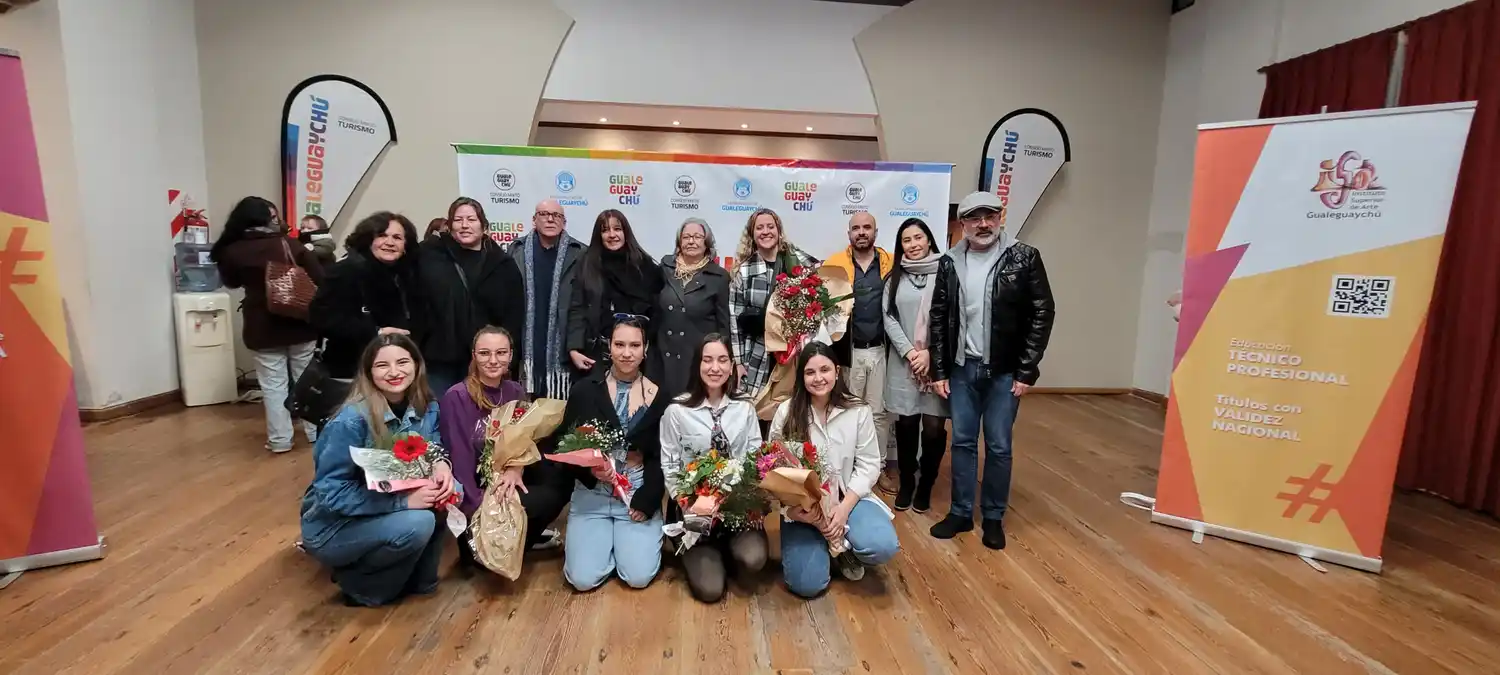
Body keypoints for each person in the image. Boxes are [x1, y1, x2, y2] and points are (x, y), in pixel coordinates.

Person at [927, 192, 1055, 550]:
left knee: (999, 446)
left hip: (1004, 372)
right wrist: (939, 369)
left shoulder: (1024, 257)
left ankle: (994, 517)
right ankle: (961, 512)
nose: (983, 224)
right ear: (963, 224)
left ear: (1000, 217)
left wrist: (1026, 369)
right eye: (974, 217)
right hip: (961, 370)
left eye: (989, 216)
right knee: (964, 443)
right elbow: (939, 317)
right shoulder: (950, 262)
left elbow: (1043, 312)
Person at [299, 333, 457, 607]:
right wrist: (403, 502)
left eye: (402, 362)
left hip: (388, 506)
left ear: (417, 365)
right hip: (334, 525)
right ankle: (359, 584)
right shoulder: (350, 421)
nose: (394, 372)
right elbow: (330, 493)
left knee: (450, 493)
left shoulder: (427, 406)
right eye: (382, 365)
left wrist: (443, 464)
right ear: (368, 372)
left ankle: (418, 579)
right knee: (419, 523)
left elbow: (434, 446)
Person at [769, 341, 898, 598]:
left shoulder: (857, 410)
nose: (818, 378)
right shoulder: (787, 413)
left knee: (882, 545)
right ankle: (827, 549)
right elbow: (774, 469)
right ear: (801, 376)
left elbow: (869, 464)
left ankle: (846, 549)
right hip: (803, 510)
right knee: (807, 585)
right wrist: (795, 511)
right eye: (810, 372)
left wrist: (843, 509)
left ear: (837, 372)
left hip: (848, 500)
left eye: (825, 370)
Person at [548, 317, 669, 591]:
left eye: (635, 345)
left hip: (636, 495)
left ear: (645, 348)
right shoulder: (584, 391)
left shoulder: (660, 395)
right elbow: (563, 445)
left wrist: (650, 497)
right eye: (620, 344)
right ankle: (605, 545)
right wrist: (588, 470)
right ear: (609, 347)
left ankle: (624, 547)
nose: (627, 353)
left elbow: (664, 455)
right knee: (581, 580)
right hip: (593, 496)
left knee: (638, 577)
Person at [437, 326, 565, 568]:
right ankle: (481, 543)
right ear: (473, 355)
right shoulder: (457, 397)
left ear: (510, 355)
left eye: (501, 353)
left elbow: (525, 441)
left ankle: (521, 540)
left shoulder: (514, 390)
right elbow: (460, 456)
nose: (493, 360)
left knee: (555, 477)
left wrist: (516, 469)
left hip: (505, 478)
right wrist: (479, 508)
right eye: (485, 353)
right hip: (476, 490)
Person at [659, 334, 767, 602]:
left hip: (735, 509)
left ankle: (728, 549)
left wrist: (751, 501)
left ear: (732, 366)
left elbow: (756, 458)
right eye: (707, 360)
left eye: (722, 360)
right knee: (710, 591)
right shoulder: (677, 410)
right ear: (698, 365)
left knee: (753, 560)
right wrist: (688, 503)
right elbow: (670, 464)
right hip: (695, 512)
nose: (714, 368)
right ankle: (704, 552)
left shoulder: (745, 408)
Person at [211, 196, 324, 453]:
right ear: (267, 218)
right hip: (300, 323)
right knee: (306, 381)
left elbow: (230, 283)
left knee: (273, 386)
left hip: (261, 327)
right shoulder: (290, 244)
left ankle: (280, 440)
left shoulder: (233, 250)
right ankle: (314, 433)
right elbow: (320, 277)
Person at [420, 197, 526, 396]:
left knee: (485, 420)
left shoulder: (503, 265)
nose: (465, 225)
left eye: (471, 219)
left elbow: (513, 316)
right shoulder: (430, 254)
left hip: (486, 362)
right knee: (440, 418)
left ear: (484, 226)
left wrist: (509, 358)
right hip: (439, 361)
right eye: (458, 220)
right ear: (449, 225)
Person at [880, 218, 950, 512]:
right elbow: (888, 317)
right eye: (906, 241)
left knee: (933, 428)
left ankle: (926, 484)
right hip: (903, 364)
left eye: (918, 238)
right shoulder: (894, 278)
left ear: (930, 240)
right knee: (907, 425)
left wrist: (930, 353)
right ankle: (907, 482)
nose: (913, 245)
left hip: (937, 365)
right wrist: (911, 352)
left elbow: (952, 318)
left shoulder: (947, 273)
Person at [308, 212, 427, 383]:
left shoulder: (408, 273)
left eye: (397, 237)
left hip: (398, 370)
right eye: (382, 235)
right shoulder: (346, 270)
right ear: (367, 240)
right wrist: (376, 332)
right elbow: (322, 317)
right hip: (353, 370)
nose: (390, 242)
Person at [826, 211, 897, 495]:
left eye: (867, 227)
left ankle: (878, 468)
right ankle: (851, 469)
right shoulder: (835, 265)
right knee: (849, 412)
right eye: (856, 228)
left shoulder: (892, 264)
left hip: (881, 350)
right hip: (849, 353)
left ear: (875, 233)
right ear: (849, 234)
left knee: (878, 414)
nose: (861, 232)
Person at [729, 208, 818, 401]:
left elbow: (820, 289)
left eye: (770, 226)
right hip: (758, 354)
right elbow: (734, 321)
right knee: (757, 411)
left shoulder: (798, 260)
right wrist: (737, 362)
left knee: (793, 411)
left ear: (779, 231)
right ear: (752, 234)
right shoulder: (744, 272)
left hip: (794, 355)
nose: (766, 231)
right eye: (759, 228)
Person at [506, 200, 586, 399]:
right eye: (543, 214)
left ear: (564, 222)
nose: (550, 219)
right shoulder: (516, 251)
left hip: (563, 348)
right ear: (534, 220)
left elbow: (582, 305)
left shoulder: (581, 253)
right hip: (525, 344)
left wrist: (575, 345)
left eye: (556, 215)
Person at [567, 209, 661, 372]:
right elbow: (578, 308)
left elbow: (657, 310)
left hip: (637, 355)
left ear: (626, 232)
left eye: (617, 229)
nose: (612, 235)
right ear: (599, 235)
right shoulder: (587, 264)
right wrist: (574, 348)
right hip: (596, 353)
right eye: (605, 230)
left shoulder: (644, 265)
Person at [650, 218, 731, 397]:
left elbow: (724, 324)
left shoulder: (719, 277)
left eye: (697, 237)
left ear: (707, 243)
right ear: (679, 242)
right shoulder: (665, 268)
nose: (691, 241)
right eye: (686, 237)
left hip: (697, 361)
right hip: (663, 359)